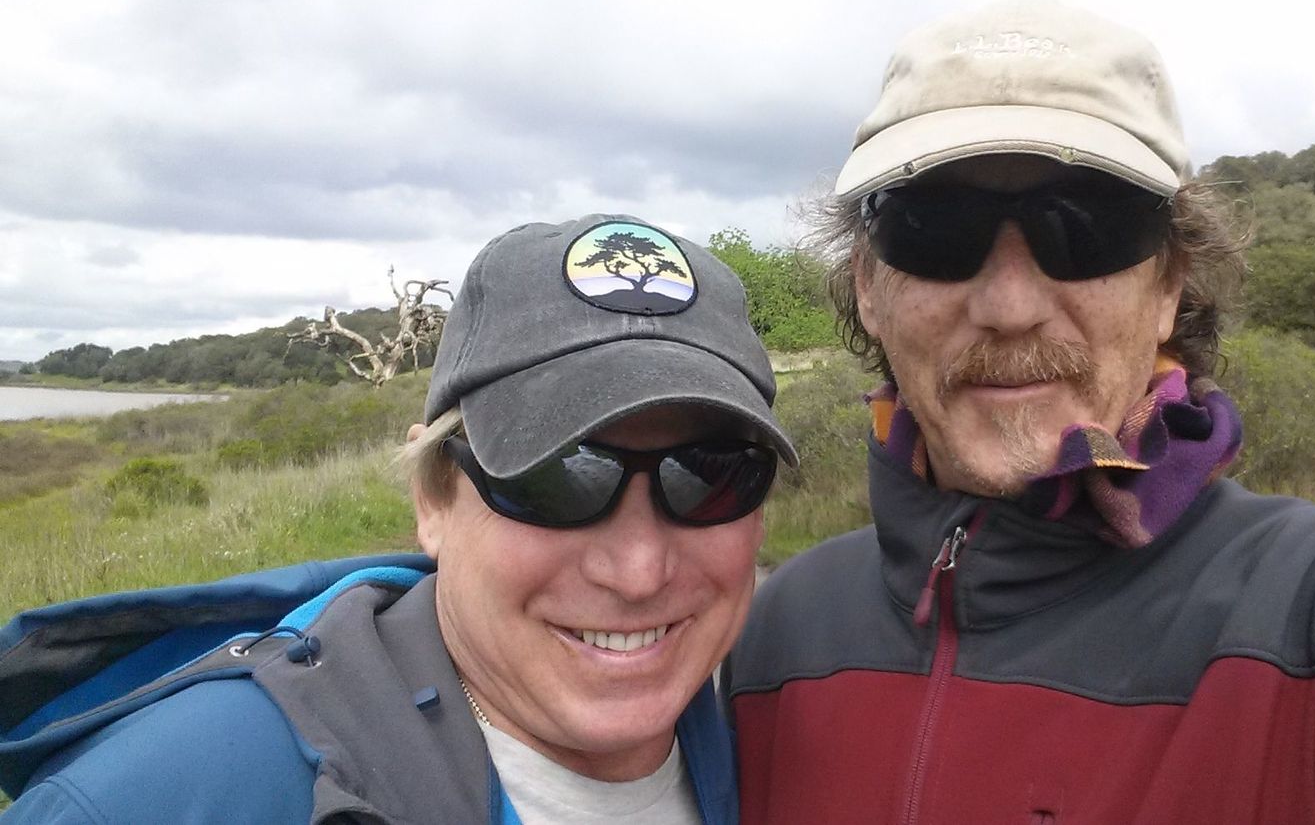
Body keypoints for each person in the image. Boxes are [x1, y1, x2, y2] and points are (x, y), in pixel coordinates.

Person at [724, 0, 1315, 823]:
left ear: (1170, 285)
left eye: (1087, 228)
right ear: (868, 288)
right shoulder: (770, 637)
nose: (1010, 306)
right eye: (933, 229)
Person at [0, 213, 796, 824]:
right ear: (434, 500)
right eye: (557, 480)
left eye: (710, 476)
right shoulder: (162, 798)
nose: (639, 570)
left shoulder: (780, 738)